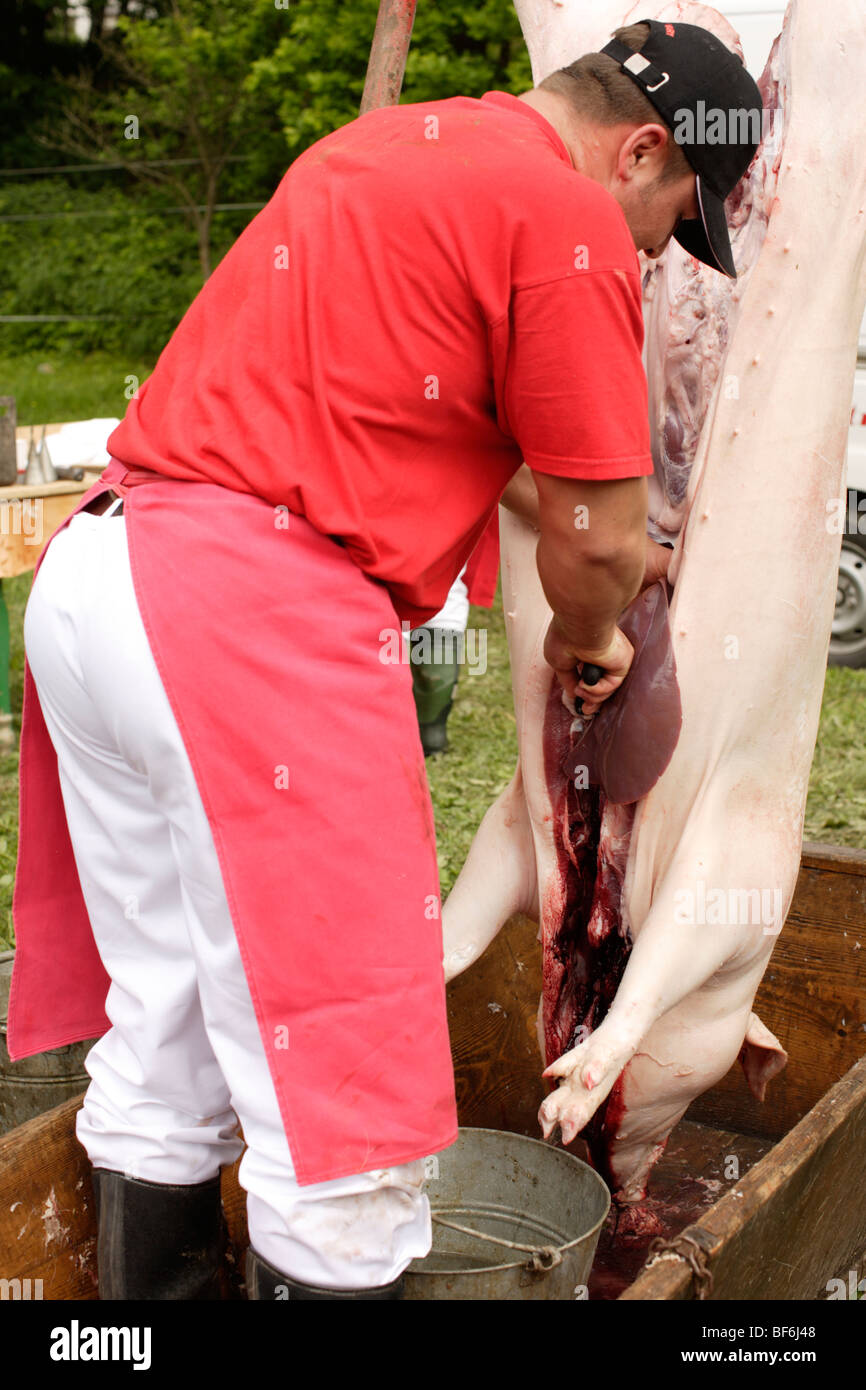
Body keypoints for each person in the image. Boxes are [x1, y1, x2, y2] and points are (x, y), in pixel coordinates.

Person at [8, 19, 762, 1299]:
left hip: (105, 577)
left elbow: (450, 431)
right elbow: (591, 531)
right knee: (346, 1107)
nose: (653, 250)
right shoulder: (567, 222)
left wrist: (605, 542)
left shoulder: (388, 149)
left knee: (172, 1023)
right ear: (641, 148)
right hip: (246, 623)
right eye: (673, 216)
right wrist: (592, 632)